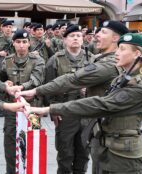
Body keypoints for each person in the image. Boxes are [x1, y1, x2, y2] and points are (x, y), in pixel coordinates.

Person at [23, 33, 142, 174]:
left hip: (124, 157)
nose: (117, 52)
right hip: (106, 149)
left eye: (122, 49)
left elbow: (101, 104)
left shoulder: (141, 87)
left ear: (137, 55)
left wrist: (50, 109)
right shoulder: (122, 78)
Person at [45, 24, 93, 174]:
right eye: (72, 36)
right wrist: (53, 109)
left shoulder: (92, 59)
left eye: (78, 36)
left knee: (84, 152)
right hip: (65, 111)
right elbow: (49, 86)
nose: (76, 38)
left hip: (86, 110)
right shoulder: (55, 60)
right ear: (64, 40)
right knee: (65, 152)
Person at [0, 29, 45, 174]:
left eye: (24, 42)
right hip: (12, 110)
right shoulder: (6, 62)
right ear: (13, 43)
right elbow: (0, 82)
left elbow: (37, 80)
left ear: (29, 43)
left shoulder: (38, 60)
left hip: (33, 111)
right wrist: (5, 84)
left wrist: (21, 87)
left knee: (33, 143)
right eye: (18, 42)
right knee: (10, 145)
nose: (21, 45)